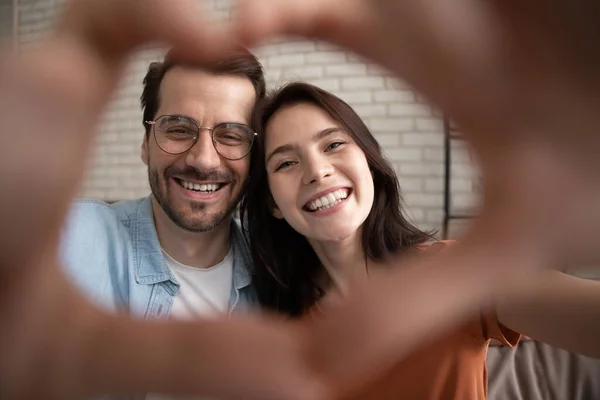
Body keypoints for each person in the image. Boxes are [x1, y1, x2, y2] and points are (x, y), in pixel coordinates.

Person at [241, 81, 600, 399]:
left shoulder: (454, 273)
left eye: (334, 144)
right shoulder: (278, 326)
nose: (318, 171)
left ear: (369, 162)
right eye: (286, 163)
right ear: (273, 203)